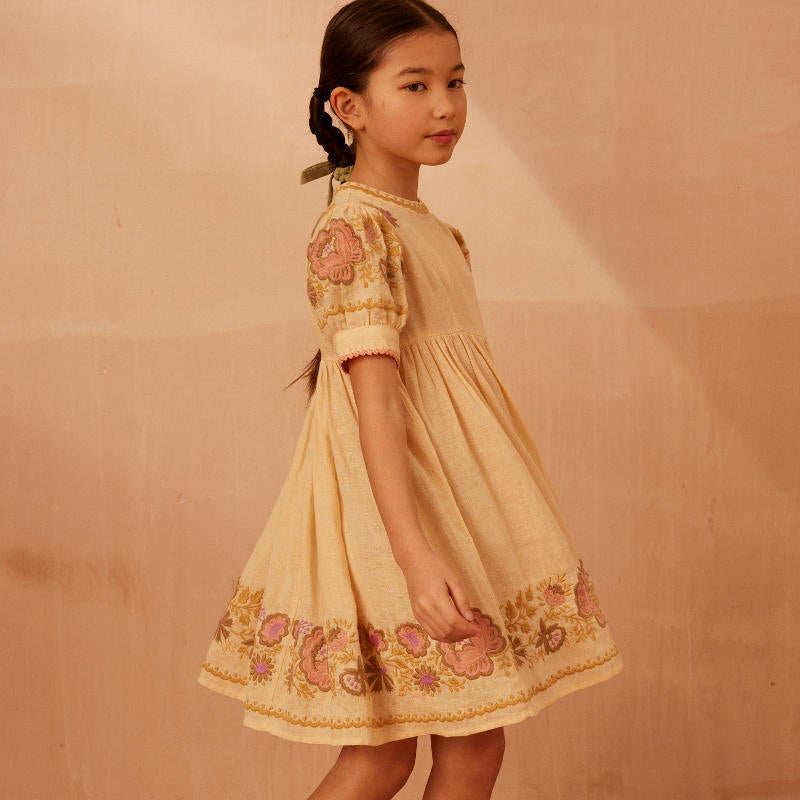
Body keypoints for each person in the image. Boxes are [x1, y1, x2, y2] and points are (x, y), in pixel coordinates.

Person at [197, 1, 624, 797]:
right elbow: (380, 406)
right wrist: (416, 557)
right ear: (349, 106)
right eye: (416, 85)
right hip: (396, 522)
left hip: (447, 507)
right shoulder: (355, 230)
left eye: (455, 82)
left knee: (468, 743)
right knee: (387, 753)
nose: (445, 106)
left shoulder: (434, 232)